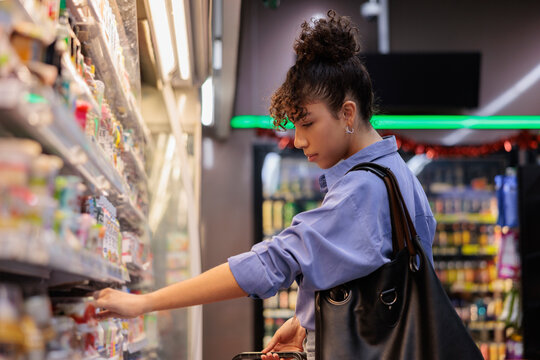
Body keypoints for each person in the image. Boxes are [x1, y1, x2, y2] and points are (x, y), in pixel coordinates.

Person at [93, 10, 436, 360]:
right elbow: (376, 275)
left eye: (307, 123)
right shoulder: (398, 175)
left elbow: (271, 263)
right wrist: (306, 321)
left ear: (347, 113)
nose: (299, 140)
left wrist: (144, 302)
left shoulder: (362, 190)